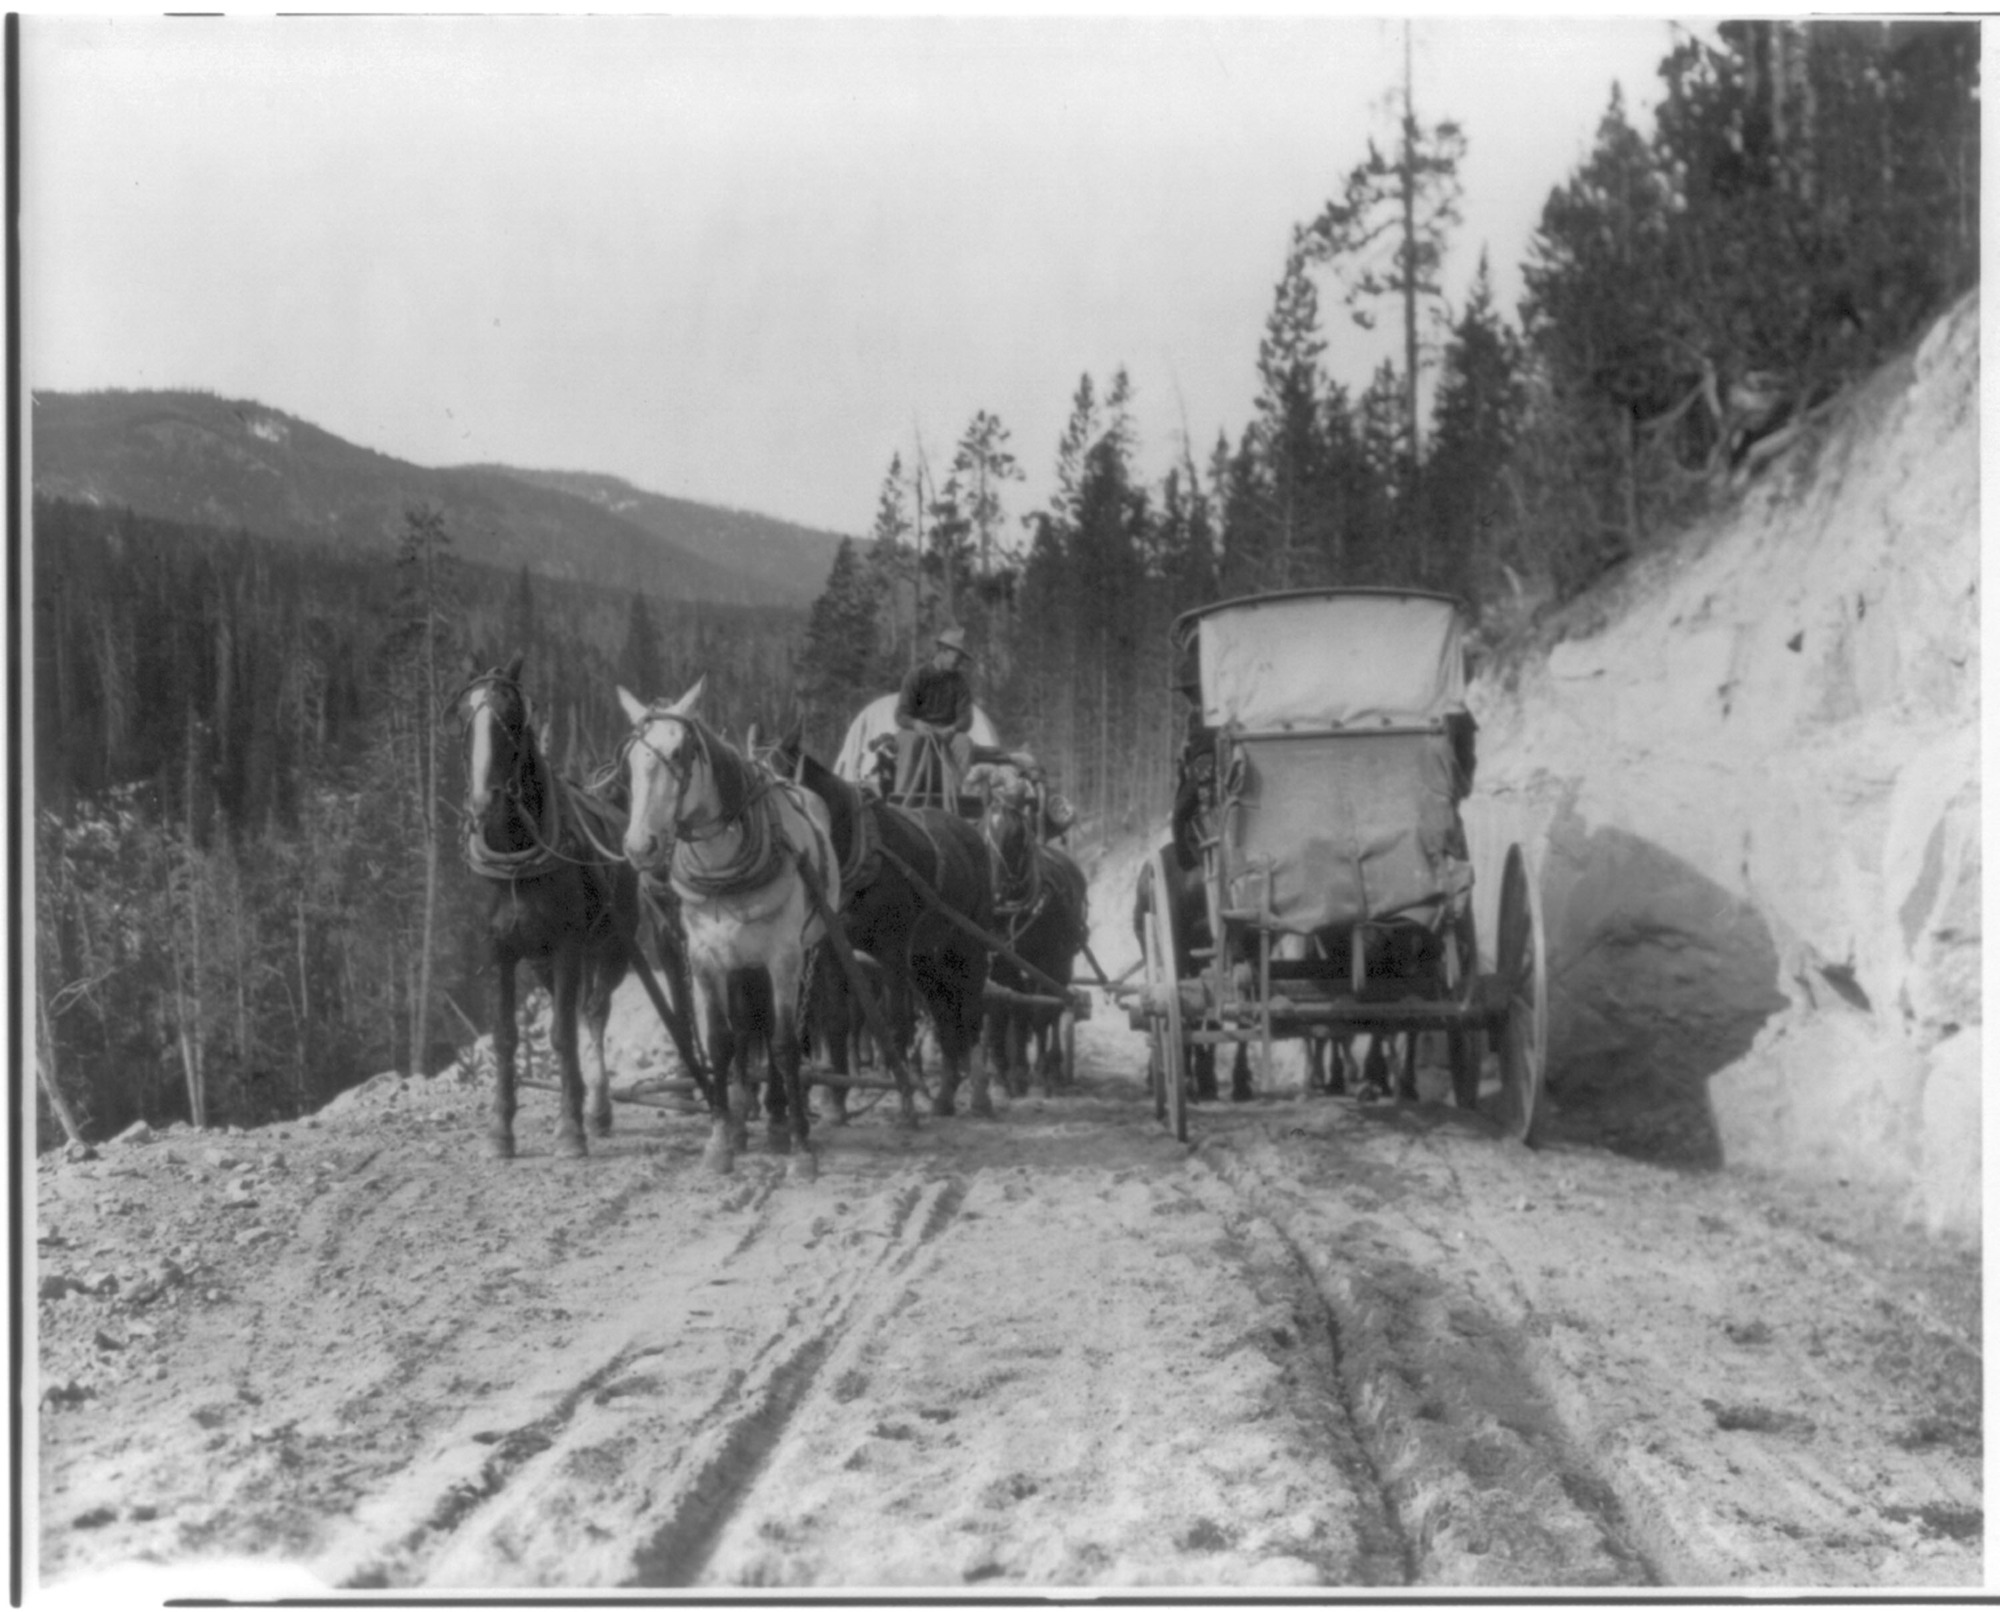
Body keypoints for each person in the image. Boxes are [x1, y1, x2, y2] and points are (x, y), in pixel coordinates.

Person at [893, 627, 977, 801]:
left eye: (961, 659)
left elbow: (966, 719)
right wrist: (916, 724)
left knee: (964, 743)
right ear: (943, 651)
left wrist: (953, 729)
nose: (959, 662)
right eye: (957, 657)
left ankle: (957, 800)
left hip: (946, 733)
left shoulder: (959, 683)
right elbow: (901, 714)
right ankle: (902, 799)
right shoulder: (916, 676)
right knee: (911, 741)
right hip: (917, 731)